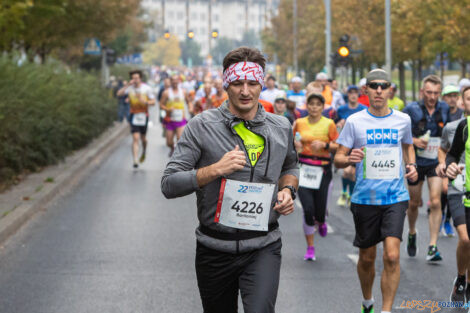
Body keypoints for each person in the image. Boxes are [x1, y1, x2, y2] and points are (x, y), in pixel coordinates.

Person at [161, 47, 299, 313]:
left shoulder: (281, 126)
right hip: (214, 248)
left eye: (252, 83)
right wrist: (214, 170)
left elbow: (291, 163)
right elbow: (169, 184)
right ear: (226, 84)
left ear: (261, 84)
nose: (245, 91)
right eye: (237, 83)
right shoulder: (201, 126)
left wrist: (288, 189)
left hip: (263, 246)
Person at [334, 69, 418, 313]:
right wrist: (349, 157)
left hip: (395, 197)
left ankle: (386, 310)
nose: (379, 90)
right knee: (367, 258)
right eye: (374, 86)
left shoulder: (402, 120)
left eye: (383, 86)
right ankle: (368, 301)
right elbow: (338, 158)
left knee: (391, 256)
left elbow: (408, 148)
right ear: (366, 91)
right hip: (365, 198)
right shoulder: (355, 122)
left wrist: (411, 166)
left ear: (390, 90)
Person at [403, 75, 449, 261]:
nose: (432, 96)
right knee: (413, 203)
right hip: (415, 162)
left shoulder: (444, 108)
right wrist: (416, 141)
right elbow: (402, 135)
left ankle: (432, 245)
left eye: (436, 93)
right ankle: (412, 231)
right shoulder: (411, 109)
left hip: (435, 162)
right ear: (422, 91)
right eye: (429, 92)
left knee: (436, 201)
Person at [293, 92, 338, 261]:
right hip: (304, 168)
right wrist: (295, 144)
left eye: (317, 104)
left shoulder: (329, 124)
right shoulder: (299, 123)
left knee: (319, 210)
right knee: (307, 209)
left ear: (322, 107)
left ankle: (321, 220)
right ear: (307, 106)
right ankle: (310, 247)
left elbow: (339, 145)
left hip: (323, 169)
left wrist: (325, 144)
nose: (314, 107)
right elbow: (290, 139)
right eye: (310, 104)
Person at [438, 85, 470, 305]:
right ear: (463, 103)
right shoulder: (464, 126)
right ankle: (461, 278)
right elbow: (451, 155)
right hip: (461, 191)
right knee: (466, 239)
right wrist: (448, 167)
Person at [335, 85, 367, 207]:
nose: (353, 95)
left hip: (358, 144)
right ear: (347, 95)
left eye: (355, 93)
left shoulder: (364, 109)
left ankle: (350, 195)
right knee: (347, 172)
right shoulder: (341, 110)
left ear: (358, 95)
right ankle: (345, 193)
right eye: (351, 93)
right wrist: (339, 123)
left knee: (351, 173)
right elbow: (335, 124)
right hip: (346, 144)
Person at [116, 70, 155, 168]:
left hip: (144, 115)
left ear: (140, 78)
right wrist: (127, 85)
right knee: (135, 138)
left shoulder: (147, 89)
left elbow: (153, 102)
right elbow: (118, 94)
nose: (135, 80)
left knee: (143, 139)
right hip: (133, 115)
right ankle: (135, 160)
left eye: (137, 78)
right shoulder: (129, 88)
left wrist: (145, 102)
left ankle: (144, 150)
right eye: (133, 78)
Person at [440, 85, 464, 237]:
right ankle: (441, 215)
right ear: (444, 98)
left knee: (450, 190)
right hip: (443, 158)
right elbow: (441, 144)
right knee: (441, 193)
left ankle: (447, 219)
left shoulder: (462, 115)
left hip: (459, 162)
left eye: (455, 95)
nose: (452, 98)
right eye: (449, 96)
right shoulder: (440, 114)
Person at [160, 75, 191, 156]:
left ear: (179, 81)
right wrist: (167, 109)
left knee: (179, 139)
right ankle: (172, 148)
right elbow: (161, 105)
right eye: (173, 80)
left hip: (181, 119)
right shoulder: (166, 92)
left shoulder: (183, 91)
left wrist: (190, 108)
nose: (175, 82)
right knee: (169, 142)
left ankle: (178, 156)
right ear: (170, 81)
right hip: (169, 120)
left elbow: (188, 102)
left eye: (176, 80)